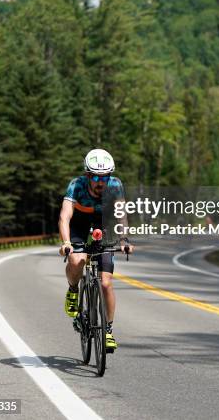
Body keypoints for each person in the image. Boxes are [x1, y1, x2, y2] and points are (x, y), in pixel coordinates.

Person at [58, 148, 131, 351]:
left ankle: (107, 330)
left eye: (105, 177)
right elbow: (65, 216)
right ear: (88, 175)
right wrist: (66, 243)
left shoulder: (115, 185)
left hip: (104, 226)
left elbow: (121, 215)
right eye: (97, 177)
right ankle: (73, 289)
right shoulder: (77, 186)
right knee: (77, 260)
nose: (101, 182)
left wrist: (124, 238)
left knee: (106, 284)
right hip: (79, 227)